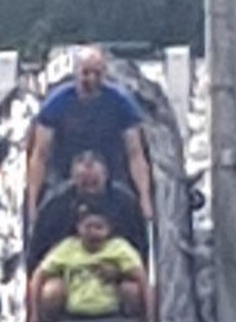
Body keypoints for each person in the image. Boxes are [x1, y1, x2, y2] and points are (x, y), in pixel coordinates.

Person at [25, 47, 154, 226]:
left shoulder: (122, 103)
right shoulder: (56, 103)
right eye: (86, 73)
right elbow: (40, 155)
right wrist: (32, 203)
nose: (91, 79)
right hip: (64, 172)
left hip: (111, 173)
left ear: (104, 74)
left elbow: (135, 154)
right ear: (76, 73)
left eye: (97, 74)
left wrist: (144, 199)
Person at [30, 204, 148, 322]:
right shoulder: (67, 248)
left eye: (99, 227)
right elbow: (38, 275)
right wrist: (33, 320)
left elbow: (143, 279)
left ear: (109, 230)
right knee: (51, 289)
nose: (93, 233)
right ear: (78, 228)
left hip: (112, 311)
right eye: (88, 227)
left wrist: (150, 319)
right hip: (74, 310)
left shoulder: (119, 248)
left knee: (132, 289)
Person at [27, 150, 146, 268]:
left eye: (94, 182)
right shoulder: (56, 204)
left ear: (105, 175)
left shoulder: (125, 203)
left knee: (130, 287)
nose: (90, 189)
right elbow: (39, 252)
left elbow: (138, 249)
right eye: (84, 182)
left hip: (113, 267)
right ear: (73, 177)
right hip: (67, 268)